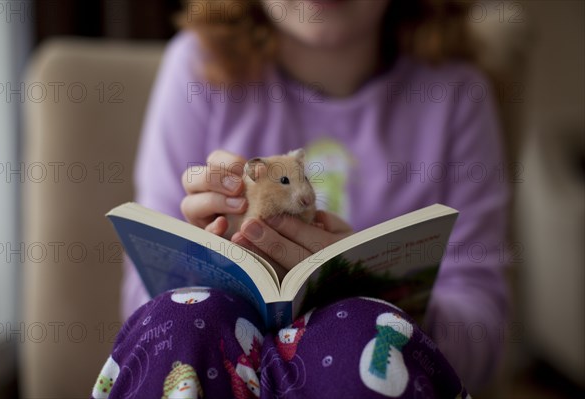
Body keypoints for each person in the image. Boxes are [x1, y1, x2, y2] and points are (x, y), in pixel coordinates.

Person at [99, 0, 509, 397]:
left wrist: (383, 301)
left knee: (362, 328)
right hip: (219, 361)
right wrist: (193, 268)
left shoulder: (456, 93)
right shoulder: (195, 67)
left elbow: (483, 336)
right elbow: (140, 314)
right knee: (183, 317)